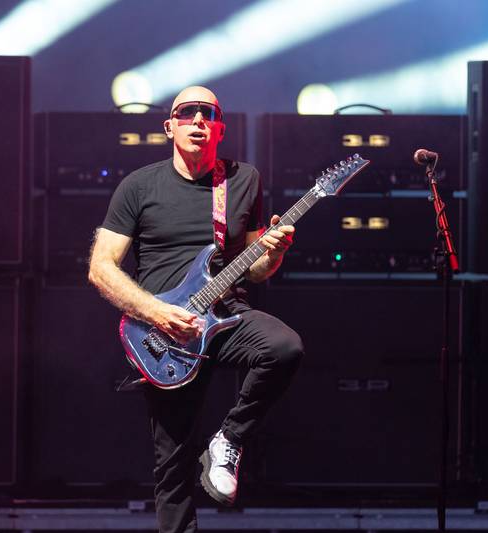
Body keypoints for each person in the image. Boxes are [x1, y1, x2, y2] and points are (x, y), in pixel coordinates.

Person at [88, 86, 303, 533]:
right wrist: (157, 314)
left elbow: (255, 268)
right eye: (187, 113)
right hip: (164, 333)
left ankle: (229, 439)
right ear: (170, 126)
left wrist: (275, 251)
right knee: (173, 463)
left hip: (225, 315)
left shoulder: (243, 180)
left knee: (283, 348)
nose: (198, 120)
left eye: (209, 113)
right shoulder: (139, 187)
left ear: (220, 128)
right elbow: (101, 269)